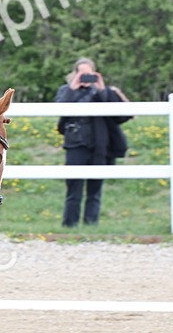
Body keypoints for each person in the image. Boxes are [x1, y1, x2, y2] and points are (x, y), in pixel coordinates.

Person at [55, 58, 131, 227]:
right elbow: (59, 108)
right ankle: (70, 225)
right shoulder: (67, 90)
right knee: (73, 188)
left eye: (89, 74)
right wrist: (73, 88)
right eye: (81, 74)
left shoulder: (104, 92)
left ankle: (91, 225)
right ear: (75, 74)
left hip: (99, 144)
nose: (85, 78)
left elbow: (122, 114)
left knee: (94, 190)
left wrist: (102, 87)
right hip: (76, 144)